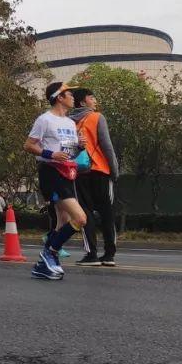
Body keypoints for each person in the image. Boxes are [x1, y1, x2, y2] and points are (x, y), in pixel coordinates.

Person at [24, 82, 89, 281]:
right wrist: (51, 154)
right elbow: (28, 145)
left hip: (67, 173)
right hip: (51, 173)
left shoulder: (70, 123)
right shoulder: (45, 120)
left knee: (64, 222)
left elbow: (68, 153)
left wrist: (79, 147)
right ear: (59, 97)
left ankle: (43, 265)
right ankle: (50, 253)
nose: (73, 97)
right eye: (69, 93)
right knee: (80, 218)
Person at [70, 88, 120, 267]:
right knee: (107, 212)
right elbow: (107, 146)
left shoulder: (68, 122)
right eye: (92, 98)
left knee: (85, 213)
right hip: (100, 170)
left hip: (80, 172)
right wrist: (114, 170)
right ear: (83, 102)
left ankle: (91, 254)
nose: (95, 100)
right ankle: (109, 254)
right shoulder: (97, 117)